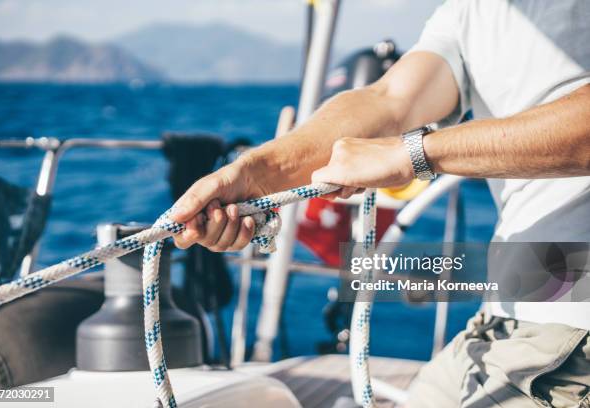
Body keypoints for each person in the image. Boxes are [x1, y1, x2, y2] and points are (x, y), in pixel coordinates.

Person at [171, 1, 590, 406]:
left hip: (574, 335)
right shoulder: (470, 10)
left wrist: (411, 154)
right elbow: (390, 99)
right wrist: (255, 173)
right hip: (507, 321)